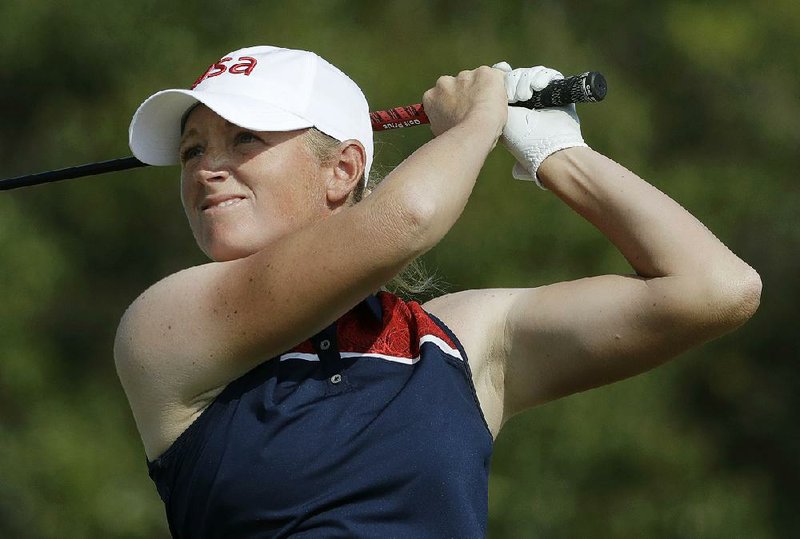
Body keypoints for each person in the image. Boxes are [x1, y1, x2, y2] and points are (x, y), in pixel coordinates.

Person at [115, 45, 761, 538]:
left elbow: (716, 286)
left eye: (244, 138)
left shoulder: (451, 343)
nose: (205, 169)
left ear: (341, 171)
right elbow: (411, 217)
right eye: (192, 148)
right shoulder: (165, 325)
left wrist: (554, 152)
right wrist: (478, 121)